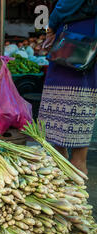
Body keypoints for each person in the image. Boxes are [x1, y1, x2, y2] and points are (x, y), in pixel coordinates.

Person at [38, 0, 97, 175]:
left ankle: (68, 187)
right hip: (89, 37)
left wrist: (51, 26)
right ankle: (76, 194)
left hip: (76, 37)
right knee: (83, 106)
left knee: (61, 148)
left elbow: (68, 2)